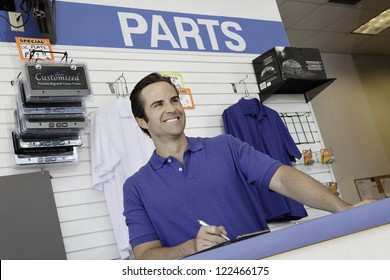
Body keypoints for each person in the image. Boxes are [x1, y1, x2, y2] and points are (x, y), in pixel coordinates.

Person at [123, 72, 372, 260]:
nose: (172, 109)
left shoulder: (226, 147)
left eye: (174, 100)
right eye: (158, 105)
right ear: (142, 121)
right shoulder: (135, 187)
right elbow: (145, 256)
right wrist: (192, 247)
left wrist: (342, 208)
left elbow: (282, 177)